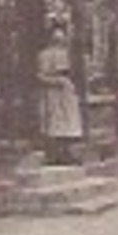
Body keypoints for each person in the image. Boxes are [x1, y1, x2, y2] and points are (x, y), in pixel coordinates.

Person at [37, 18, 83, 166]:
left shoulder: (63, 55)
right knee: (54, 122)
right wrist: (55, 81)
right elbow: (40, 75)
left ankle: (66, 153)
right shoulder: (44, 55)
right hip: (53, 94)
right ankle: (53, 153)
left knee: (67, 122)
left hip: (64, 94)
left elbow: (65, 71)